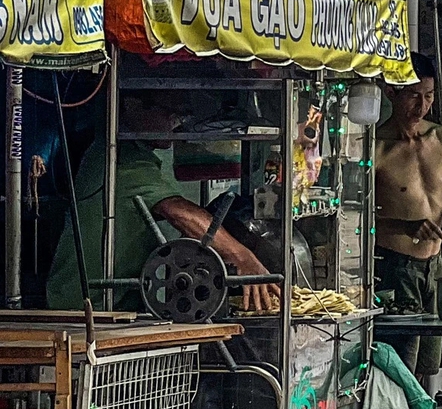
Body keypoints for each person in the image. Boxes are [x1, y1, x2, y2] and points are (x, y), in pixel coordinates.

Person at [45, 90, 281, 314]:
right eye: (170, 112)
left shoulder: (135, 157)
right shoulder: (120, 160)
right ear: (132, 106)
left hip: (118, 303)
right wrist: (241, 256)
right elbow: (179, 212)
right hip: (85, 307)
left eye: (182, 115)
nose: (176, 123)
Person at [374, 54, 442, 378]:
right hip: (395, 266)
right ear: (391, 92)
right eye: (414, 95)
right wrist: (406, 226)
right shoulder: (376, 148)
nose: (422, 106)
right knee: (400, 367)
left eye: (428, 96)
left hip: (436, 267)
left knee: (429, 364)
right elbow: (357, 218)